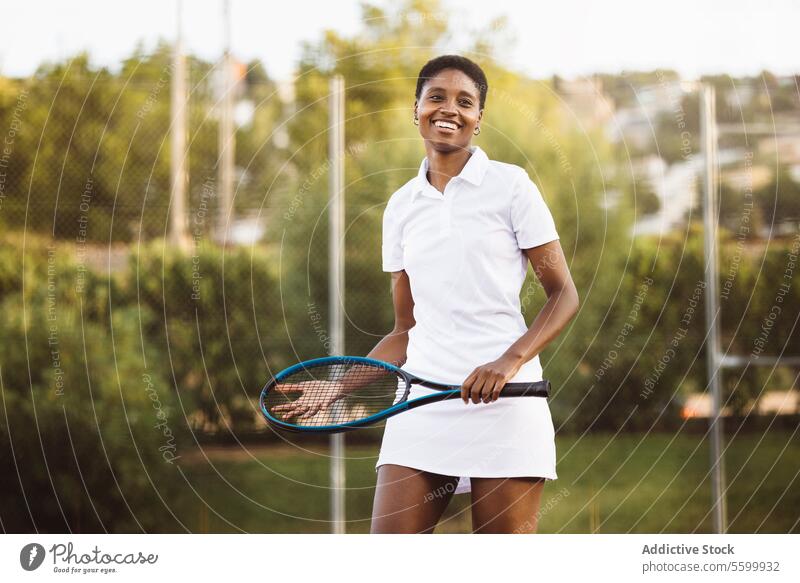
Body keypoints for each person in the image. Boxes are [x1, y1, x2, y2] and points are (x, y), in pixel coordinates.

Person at [365, 54, 580, 534]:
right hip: (420, 407)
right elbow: (406, 328)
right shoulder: (400, 207)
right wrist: (340, 383)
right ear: (416, 109)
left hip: (505, 404)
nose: (449, 109)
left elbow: (563, 294)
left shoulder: (511, 186)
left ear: (478, 120)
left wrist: (509, 361)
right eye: (436, 97)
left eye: (466, 102)